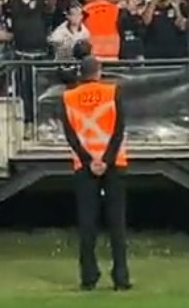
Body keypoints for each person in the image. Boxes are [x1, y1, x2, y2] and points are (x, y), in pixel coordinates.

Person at [61, 56, 130, 292]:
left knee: (87, 223)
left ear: (81, 73)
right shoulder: (113, 91)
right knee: (116, 222)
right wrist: (107, 159)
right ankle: (121, 276)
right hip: (114, 163)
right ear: (98, 71)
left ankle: (88, 276)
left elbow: (70, 135)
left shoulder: (68, 97)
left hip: (84, 165)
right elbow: (120, 129)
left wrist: (89, 160)